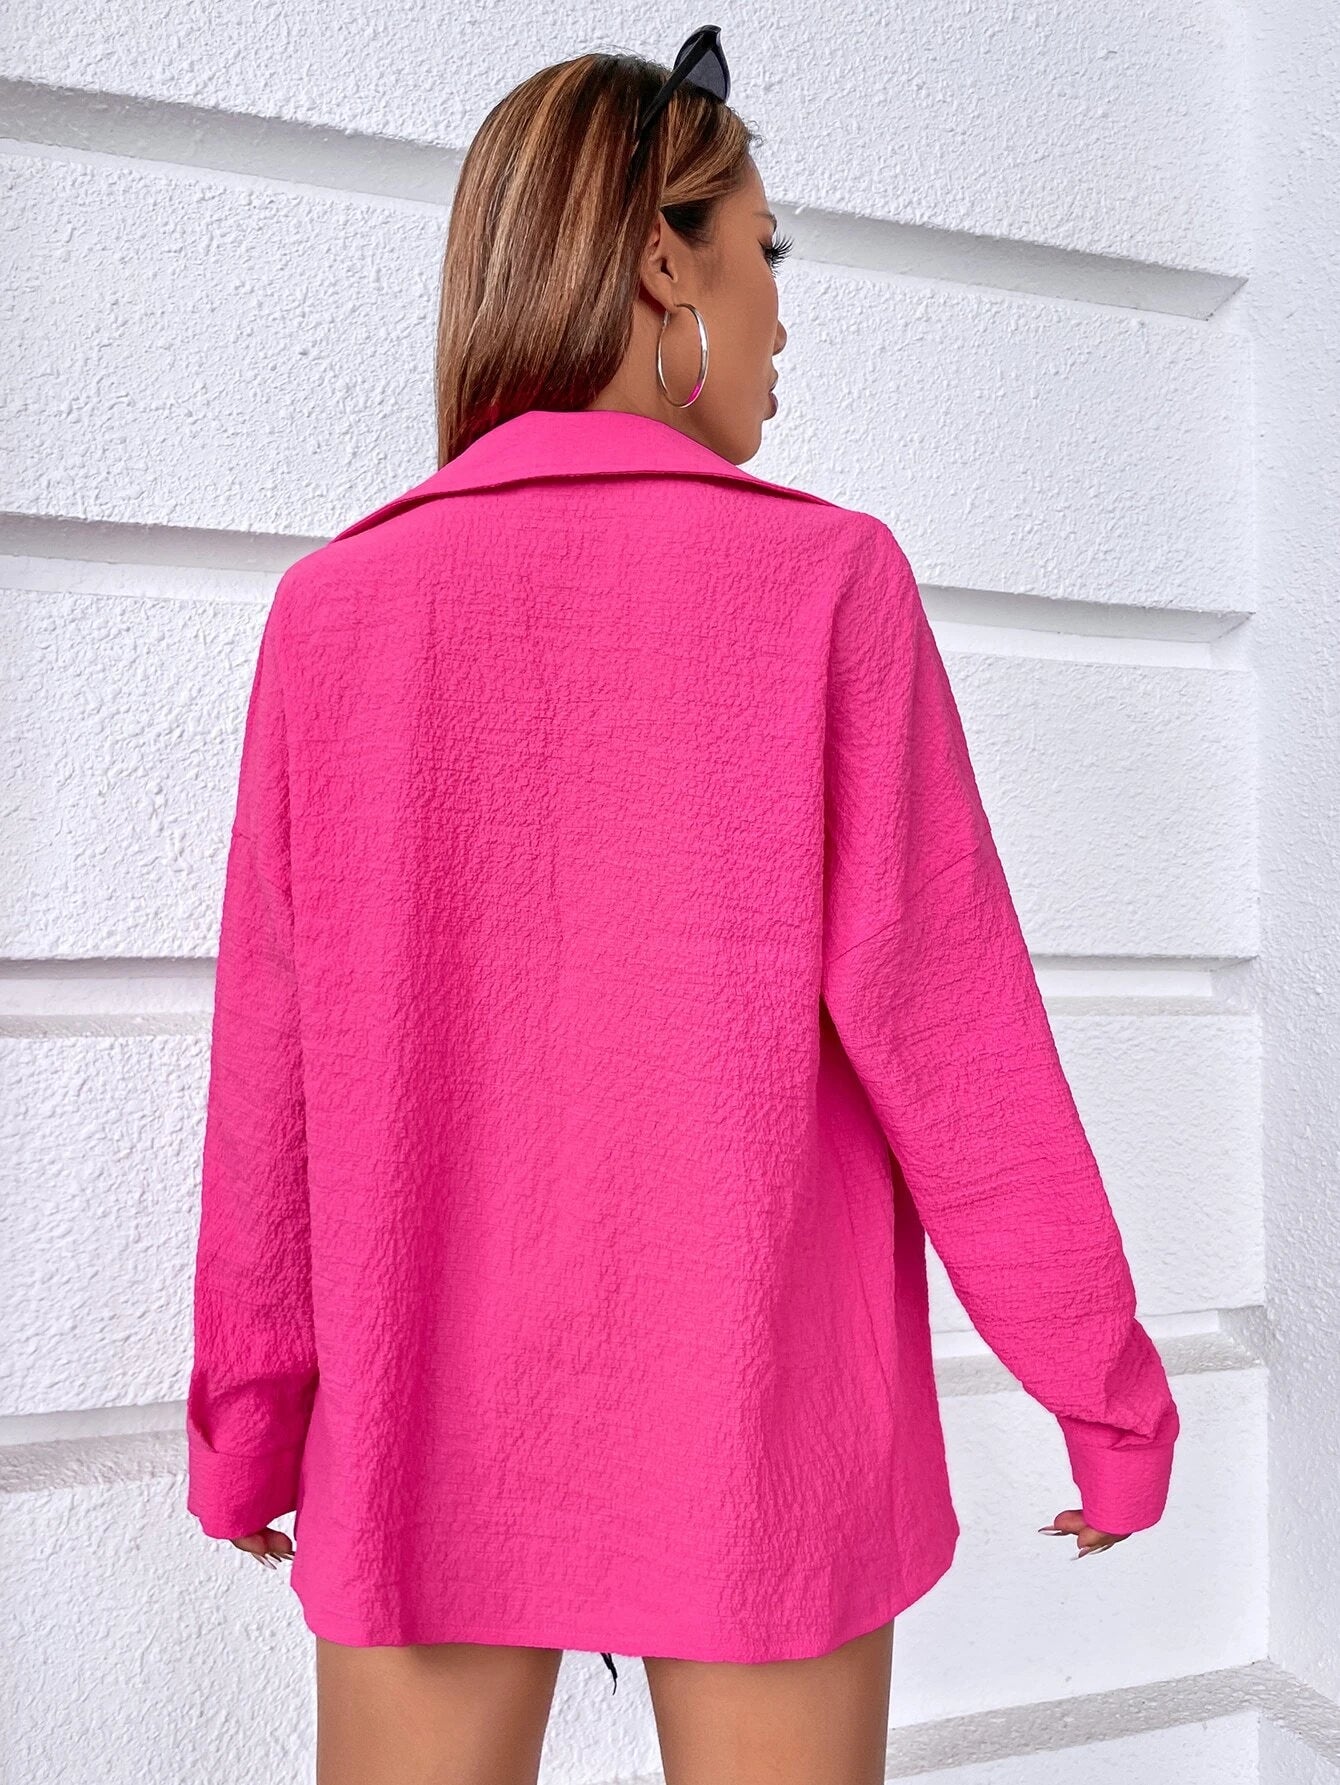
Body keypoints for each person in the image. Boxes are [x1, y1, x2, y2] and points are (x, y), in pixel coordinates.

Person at [184, 27, 1181, 1785]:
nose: (781, 315)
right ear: (664, 260)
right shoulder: (828, 585)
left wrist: (249, 1426)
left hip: (425, 1434)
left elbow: (275, 1080)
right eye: (761, 248)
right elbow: (960, 1047)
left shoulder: (334, 616)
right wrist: (1104, 1393)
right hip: (756, 1439)